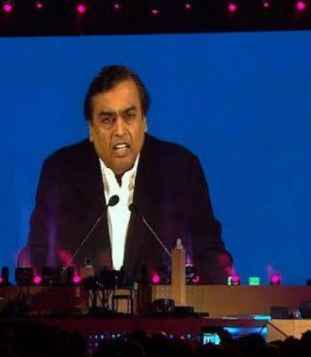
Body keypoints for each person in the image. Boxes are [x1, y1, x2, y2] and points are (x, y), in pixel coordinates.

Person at [20, 65, 232, 283]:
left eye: (129, 116)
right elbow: (40, 255)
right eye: (107, 120)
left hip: (164, 304)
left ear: (144, 121)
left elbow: (209, 253)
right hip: (81, 303)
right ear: (91, 129)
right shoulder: (60, 172)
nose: (120, 131)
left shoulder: (180, 169)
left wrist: (227, 287)